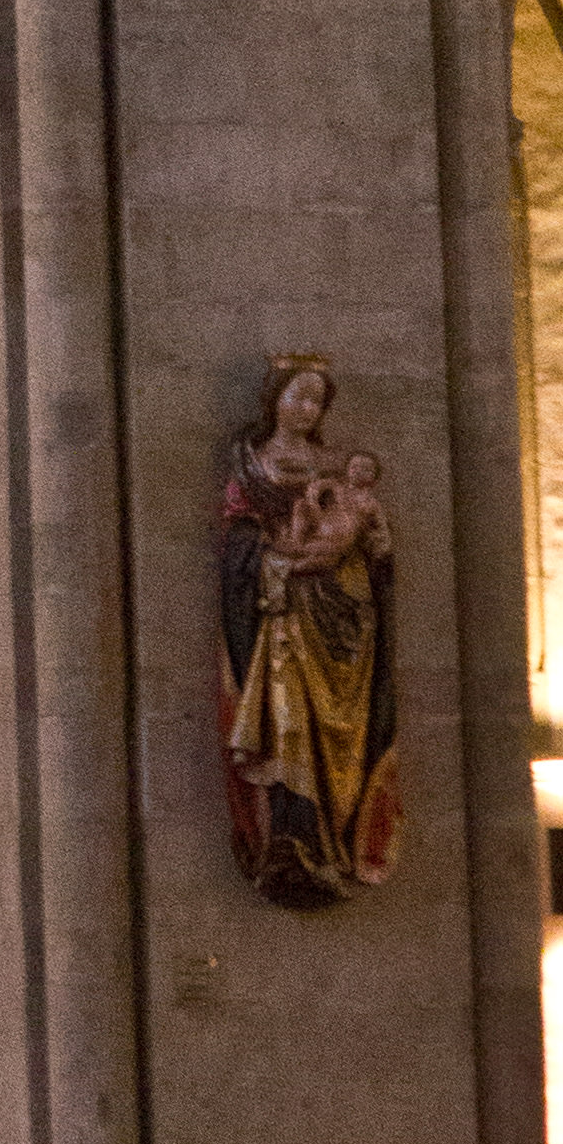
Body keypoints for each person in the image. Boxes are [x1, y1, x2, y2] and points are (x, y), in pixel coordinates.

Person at [217, 355, 400, 902]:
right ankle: (291, 840)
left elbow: (370, 542)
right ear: (274, 399)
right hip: (285, 614)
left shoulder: (337, 469)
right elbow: (238, 550)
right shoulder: (253, 467)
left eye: (317, 400)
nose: (306, 408)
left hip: (344, 616)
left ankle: (337, 841)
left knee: (341, 730)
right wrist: (278, 563)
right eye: (296, 395)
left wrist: (375, 549)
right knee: (286, 718)